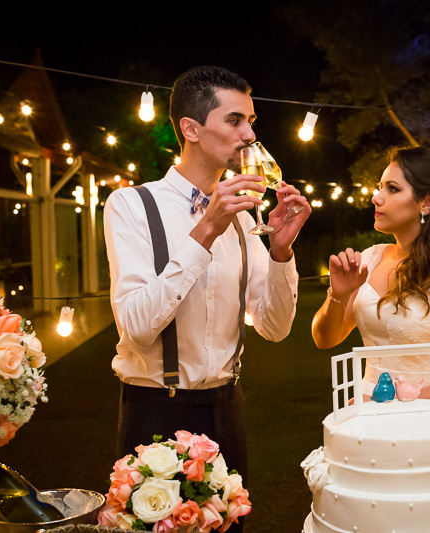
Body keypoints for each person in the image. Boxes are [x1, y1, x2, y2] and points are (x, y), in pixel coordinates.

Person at [104, 66, 311, 496]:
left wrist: (280, 252)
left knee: (229, 525)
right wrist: (206, 231)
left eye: (251, 121)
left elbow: (274, 328)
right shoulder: (131, 205)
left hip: (227, 407)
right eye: (234, 121)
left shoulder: (245, 219)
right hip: (155, 412)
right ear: (191, 129)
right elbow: (137, 326)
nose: (249, 135)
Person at [311, 146, 430, 401]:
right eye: (380, 187)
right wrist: (338, 296)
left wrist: (390, 402)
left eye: (392, 189)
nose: (376, 197)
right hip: (366, 413)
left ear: (426, 202)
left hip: (425, 415)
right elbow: (325, 339)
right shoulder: (370, 259)